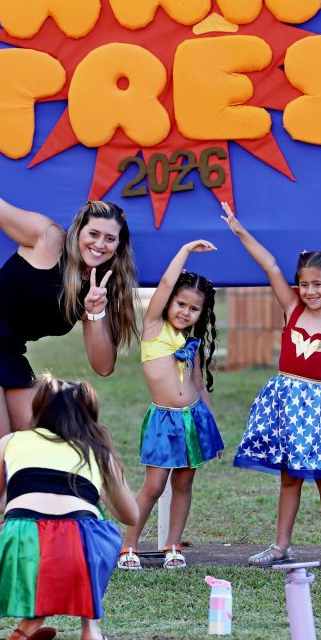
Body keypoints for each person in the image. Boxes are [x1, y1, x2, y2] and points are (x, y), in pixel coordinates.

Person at [0, 118, 139, 568]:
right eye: (93, 233)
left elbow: (103, 365)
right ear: (79, 230)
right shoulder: (47, 237)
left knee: (35, 435)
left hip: (8, 348)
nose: (99, 243)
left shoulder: (104, 285)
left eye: (109, 239)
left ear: (118, 247)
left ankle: (32, 524)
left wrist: (94, 311)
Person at [220, 203, 321, 571]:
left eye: (318, 284)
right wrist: (239, 231)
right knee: (289, 477)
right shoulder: (293, 310)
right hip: (287, 405)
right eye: (304, 284)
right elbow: (270, 265)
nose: (309, 291)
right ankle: (280, 546)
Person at [0, 376, 139, 640]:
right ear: (89, 414)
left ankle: (31, 619)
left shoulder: (10, 442)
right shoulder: (98, 451)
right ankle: (91, 627)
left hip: (19, 542)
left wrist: (23, 494)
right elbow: (130, 515)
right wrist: (97, 490)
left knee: (27, 532)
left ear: (38, 409)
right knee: (98, 526)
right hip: (79, 547)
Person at [117, 241, 224, 571]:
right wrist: (185, 251)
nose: (185, 312)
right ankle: (128, 546)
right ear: (169, 301)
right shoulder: (153, 328)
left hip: (193, 420)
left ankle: (173, 545)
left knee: (184, 483)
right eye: (180, 303)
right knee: (153, 486)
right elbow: (166, 283)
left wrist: (211, 423)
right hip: (164, 421)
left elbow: (194, 383)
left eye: (193, 309)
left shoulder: (188, 341)